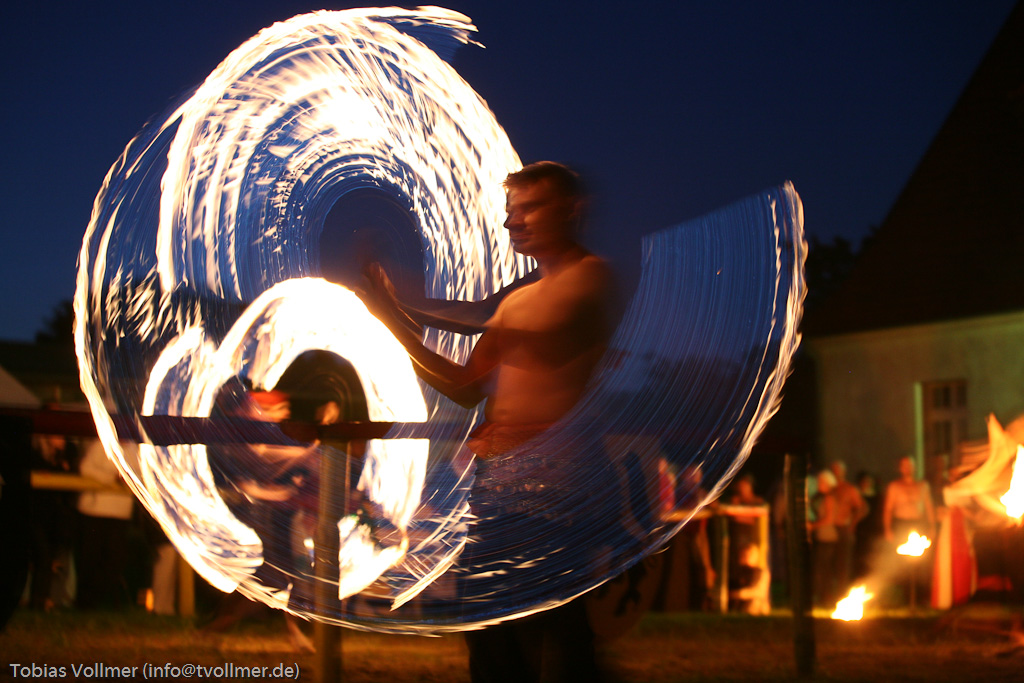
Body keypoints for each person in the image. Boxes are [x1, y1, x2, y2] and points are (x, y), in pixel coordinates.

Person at [360, 161, 613, 683]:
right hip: (499, 483)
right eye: (510, 211)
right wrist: (391, 315)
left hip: (560, 486)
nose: (512, 222)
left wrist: (396, 309)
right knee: (494, 629)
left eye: (530, 208)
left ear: (573, 210)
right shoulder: (519, 300)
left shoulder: (592, 279)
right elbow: (464, 384)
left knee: (554, 629)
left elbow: (507, 330)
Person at [829, 460, 865, 595]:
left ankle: (842, 593)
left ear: (843, 472)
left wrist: (852, 524)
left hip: (844, 529)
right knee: (829, 563)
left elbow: (863, 508)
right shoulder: (830, 489)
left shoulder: (849, 489)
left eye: (838, 469)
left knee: (843, 564)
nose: (836, 472)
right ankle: (828, 594)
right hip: (829, 529)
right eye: (833, 469)